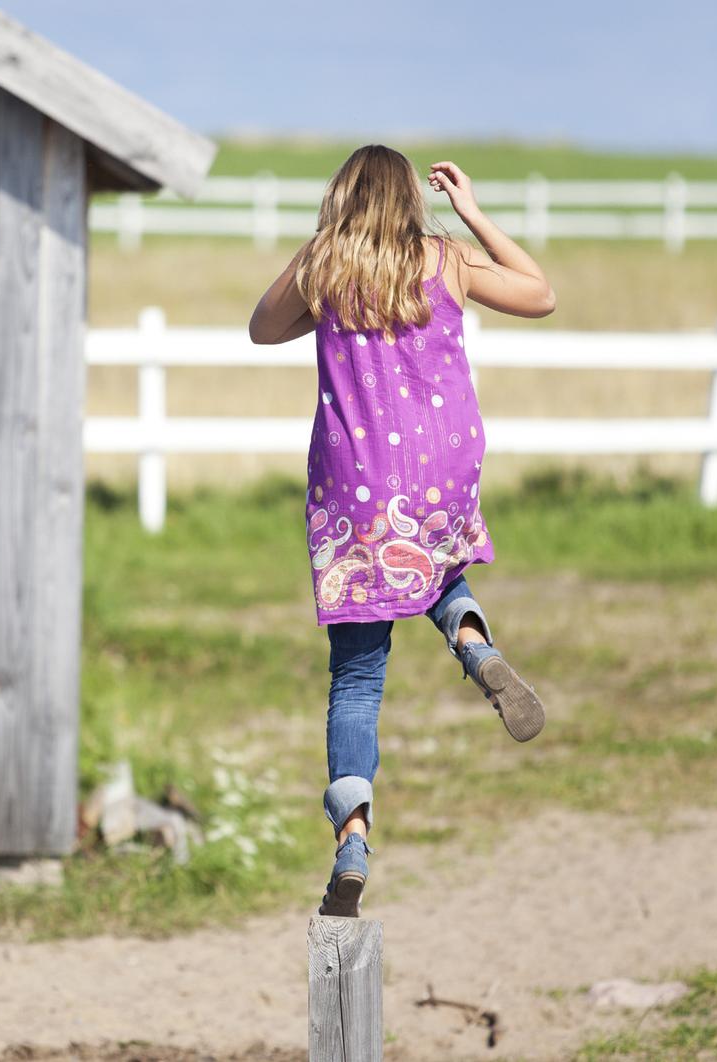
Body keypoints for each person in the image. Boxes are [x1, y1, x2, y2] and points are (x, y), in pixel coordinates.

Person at [248, 147, 556, 918]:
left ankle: (351, 836)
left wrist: (318, 252)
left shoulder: (325, 267)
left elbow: (262, 328)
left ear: (343, 196)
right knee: (436, 569)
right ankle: (473, 643)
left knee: (357, 678)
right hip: (440, 475)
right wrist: (475, 216)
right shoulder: (446, 260)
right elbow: (540, 294)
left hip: (355, 491)